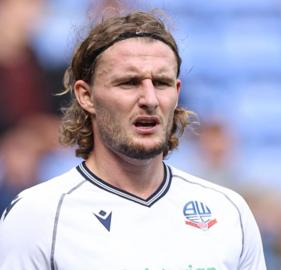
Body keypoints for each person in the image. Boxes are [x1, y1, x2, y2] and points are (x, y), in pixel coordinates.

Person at [0, 10, 266, 270]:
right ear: (86, 96)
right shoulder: (38, 218)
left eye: (161, 83)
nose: (150, 99)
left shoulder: (229, 212)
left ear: (176, 93)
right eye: (129, 82)